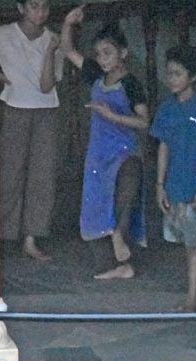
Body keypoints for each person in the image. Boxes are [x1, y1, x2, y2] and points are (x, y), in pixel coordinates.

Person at [61, 7, 149, 279]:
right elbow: (68, 50)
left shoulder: (131, 84)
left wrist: (112, 116)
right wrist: (68, 23)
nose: (102, 59)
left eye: (108, 52)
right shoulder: (95, 75)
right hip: (98, 154)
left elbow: (144, 121)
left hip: (124, 151)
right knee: (96, 207)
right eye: (98, 54)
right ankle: (117, 266)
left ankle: (120, 236)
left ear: (123, 52)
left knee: (124, 197)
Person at [150, 45, 196, 312]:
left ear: (192, 77)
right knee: (189, 244)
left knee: (195, 245)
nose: (171, 79)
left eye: (177, 74)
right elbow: (163, 148)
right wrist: (160, 185)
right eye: (169, 73)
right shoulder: (167, 109)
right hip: (175, 186)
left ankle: (192, 300)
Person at [0, 0, 63, 261]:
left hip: (46, 110)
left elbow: (47, 86)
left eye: (45, 7)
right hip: (14, 107)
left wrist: (51, 51)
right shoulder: (1, 34)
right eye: (34, 6)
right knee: (9, 172)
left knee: (42, 176)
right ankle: (3, 236)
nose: (41, 12)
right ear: (21, 7)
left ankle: (31, 239)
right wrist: (1, 78)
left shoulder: (53, 40)